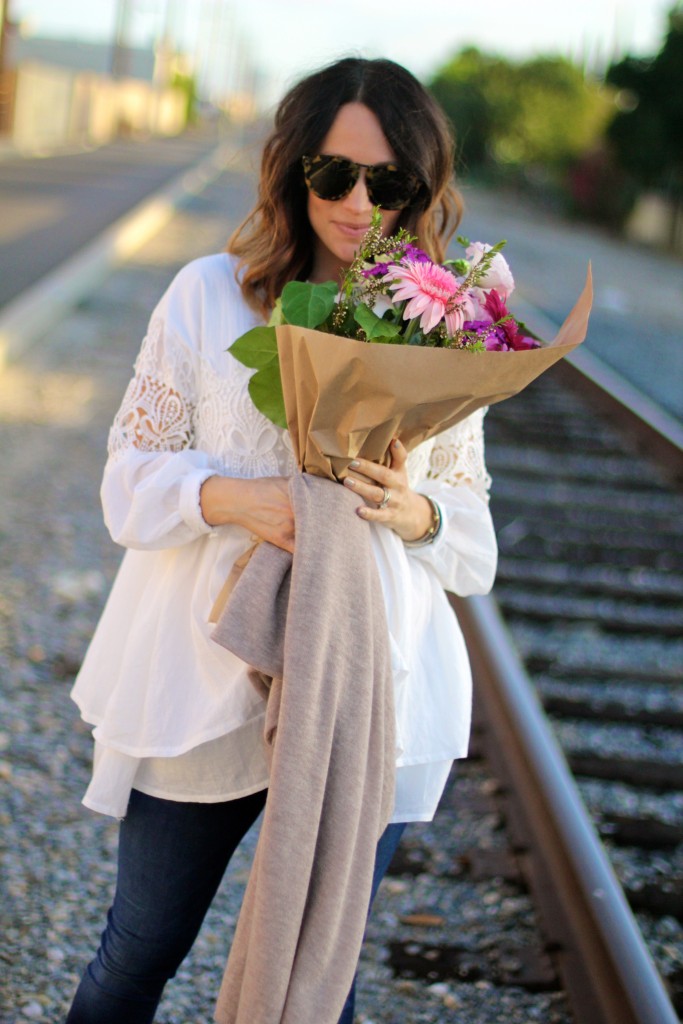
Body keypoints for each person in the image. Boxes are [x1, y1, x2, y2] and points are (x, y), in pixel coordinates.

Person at [66, 56, 498, 1024]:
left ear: (419, 190)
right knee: (137, 949)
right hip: (203, 676)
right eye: (332, 174)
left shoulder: (443, 336)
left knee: (315, 985)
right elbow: (124, 486)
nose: (355, 203)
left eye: (385, 183)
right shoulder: (205, 297)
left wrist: (411, 511)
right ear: (291, 169)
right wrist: (232, 498)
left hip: (363, 690)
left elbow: (471, 547)